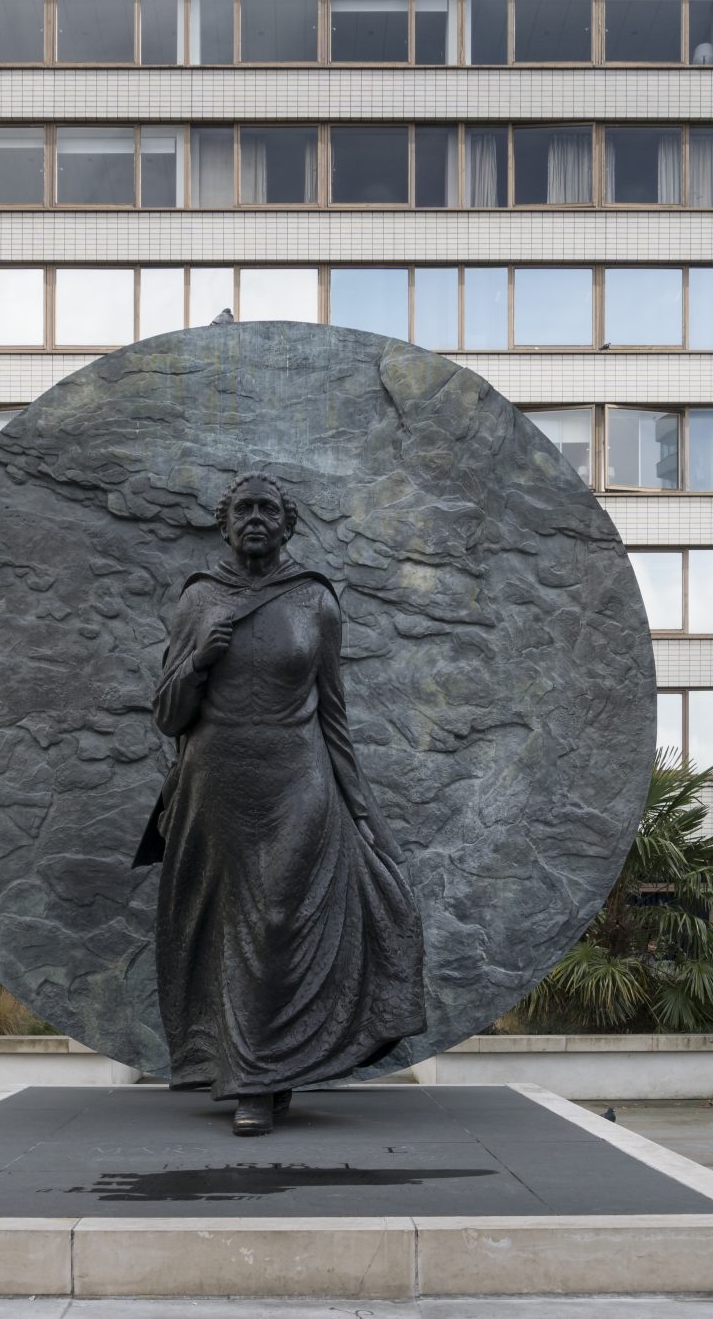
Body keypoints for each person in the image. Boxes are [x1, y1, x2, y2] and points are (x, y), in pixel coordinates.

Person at [135, 471, 426, 1136]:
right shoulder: (199, 599)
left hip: (300, 783)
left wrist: (366, 814)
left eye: (269, 508)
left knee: (277, 920)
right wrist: (199, 660)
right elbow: (167, 715)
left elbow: (335, 717)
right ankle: (255, 1079)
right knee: (232, 930)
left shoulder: (314, 600)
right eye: (245, 508)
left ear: (289, 524)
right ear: (226, 522)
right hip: (218, 787)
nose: (257, 518)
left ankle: (268, 1072)